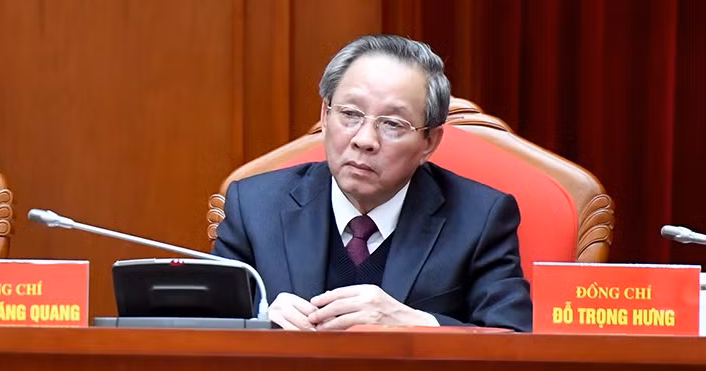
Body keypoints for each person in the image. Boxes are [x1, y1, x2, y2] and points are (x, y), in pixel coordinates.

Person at [213, 34, 532, 331]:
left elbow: (512, 338)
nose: (364, 140)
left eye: (392, 123)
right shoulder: (254, 206)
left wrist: (418, 325)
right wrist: (260, 317)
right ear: (325, 116)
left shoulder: (480, 218)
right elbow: (204, 324)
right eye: (350, 114)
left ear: (429, 142)